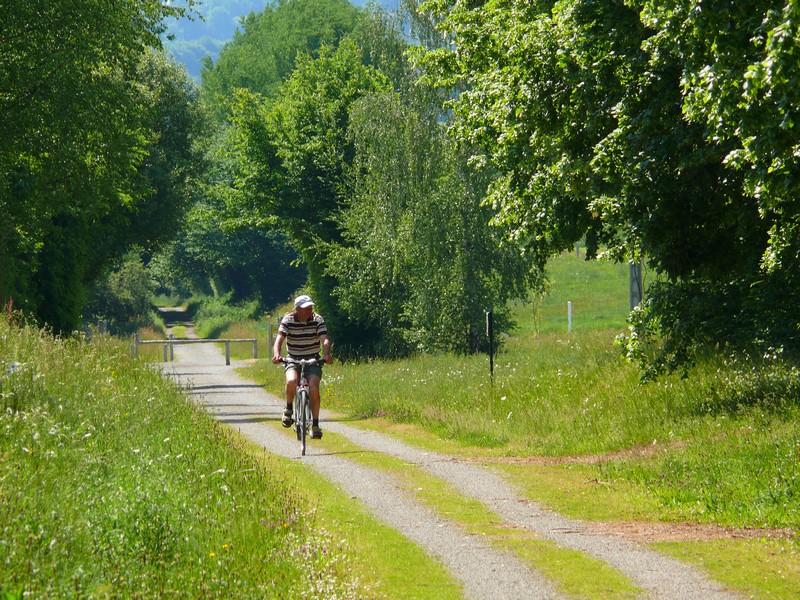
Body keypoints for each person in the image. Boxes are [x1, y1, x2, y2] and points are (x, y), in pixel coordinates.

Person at [272, 294, 332, 439]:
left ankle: (316, 425)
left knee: (313, 387)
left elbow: (325, 340)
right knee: (292, 381)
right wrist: (277, 355)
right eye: (306, 308)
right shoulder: (288, 320)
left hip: (313, 359)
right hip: (293, 358)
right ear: (297, 309)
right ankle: (288, 409)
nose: (309, 310)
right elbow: (279, 339)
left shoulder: (317, 319)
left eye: (310, 307)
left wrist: (326, 354)